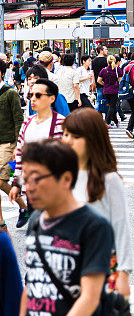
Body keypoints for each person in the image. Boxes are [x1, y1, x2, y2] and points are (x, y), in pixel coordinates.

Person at [19, 139, 114, 316]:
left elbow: (90, 297)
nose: (29, 188)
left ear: (66, 179)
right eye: (25, 179)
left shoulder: (94, 226)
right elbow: (32, 283)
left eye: (36, 178)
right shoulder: (35, 220)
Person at [62, 108, 133, 297]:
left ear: (92, 139)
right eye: (66, 134)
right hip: (66, 263)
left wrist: (124, 273)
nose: (67, 140)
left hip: (101, 263)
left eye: (75, 136)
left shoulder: (109, 179)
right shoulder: (63, 176)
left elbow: (120, 226)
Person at [9, 78, 66, 229]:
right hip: (32, 189)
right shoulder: (27, 122)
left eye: (38, 95)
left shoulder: (62, 123)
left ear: (52, 98)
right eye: (31, 95)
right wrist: (16, 184)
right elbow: (21, 156)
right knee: (35, 234)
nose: (33, 99)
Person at [0, 60, 24, 233]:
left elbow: (19, 119)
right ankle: (3, 223)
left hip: (8, 144)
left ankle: (23, 207)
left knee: (0, 181)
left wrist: (17, 145)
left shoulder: (10, 93)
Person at [98, 55, 123, 127]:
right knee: (112, 107)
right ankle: (107, 122)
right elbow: (120, 80)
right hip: (114, 90)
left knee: (111, 106)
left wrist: (105, 84)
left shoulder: (104, 70)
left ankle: (116, 121)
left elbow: (98, 80)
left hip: (106, 90)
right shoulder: (117, 69)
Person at [91, 46, 109, 114]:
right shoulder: (106, 60)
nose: (106, 51)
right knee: (107, 101)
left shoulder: (94, 60)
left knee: (98, 100)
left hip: (98, 83)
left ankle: (96, 116)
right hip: (106, 84)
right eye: (105, 49)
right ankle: (108, 119)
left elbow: (92, 72)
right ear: (101, 51)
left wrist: (93, 83)